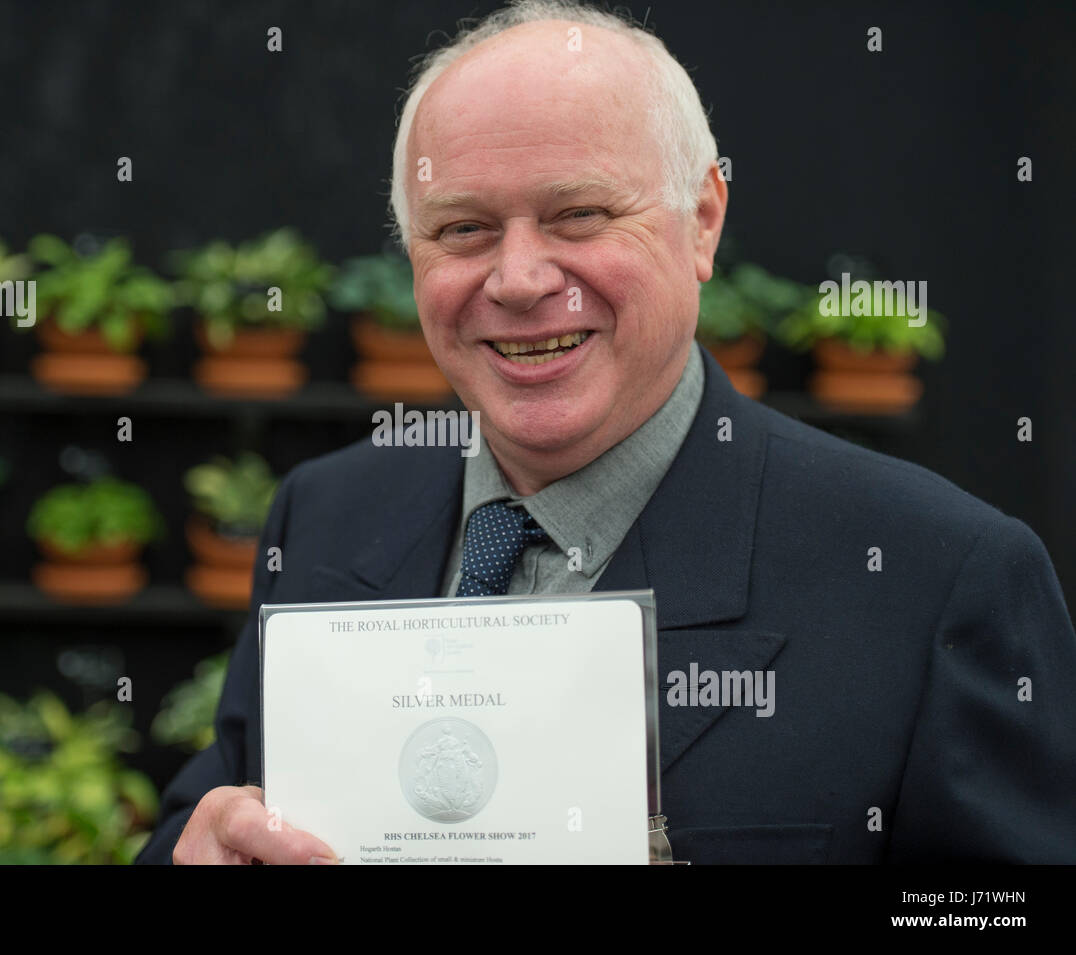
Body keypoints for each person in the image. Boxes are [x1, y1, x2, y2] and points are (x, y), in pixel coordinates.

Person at [137, 0, 1076, 864]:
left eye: (578, 214)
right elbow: (205, 811)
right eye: (462, 229)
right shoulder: (327, 515)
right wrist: (196, 846)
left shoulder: (935, 576)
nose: (517, 278)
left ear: (701, 220)